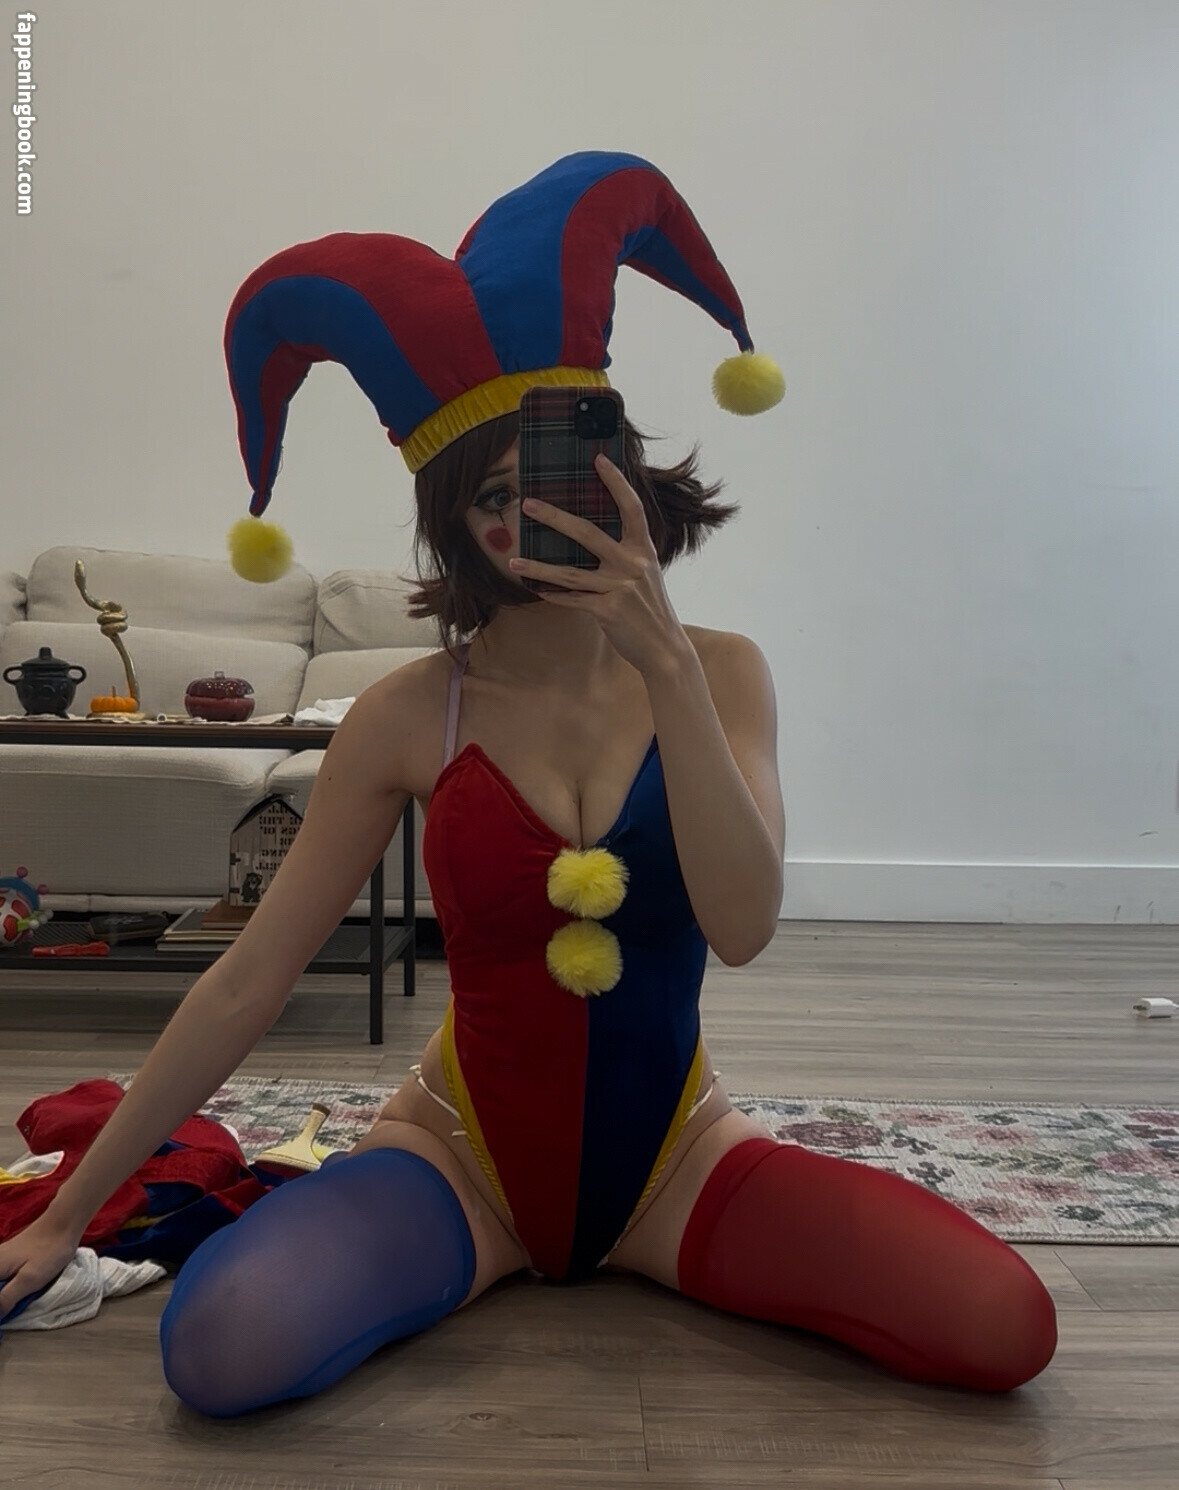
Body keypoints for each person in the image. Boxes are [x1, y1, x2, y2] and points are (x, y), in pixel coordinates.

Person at [0, 152, 1056, 1413]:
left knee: (1006, 1323)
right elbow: (247, 978)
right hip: (457, 1165)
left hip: (679, 1165)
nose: (525, 522)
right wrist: (66, 1216)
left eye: (551, 479)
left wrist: (666, 663)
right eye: (489, 497)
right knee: (220, 1351)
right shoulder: (406, 714)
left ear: (622, 470)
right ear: (453, 521)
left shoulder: (721, 671)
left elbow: (744, 925)